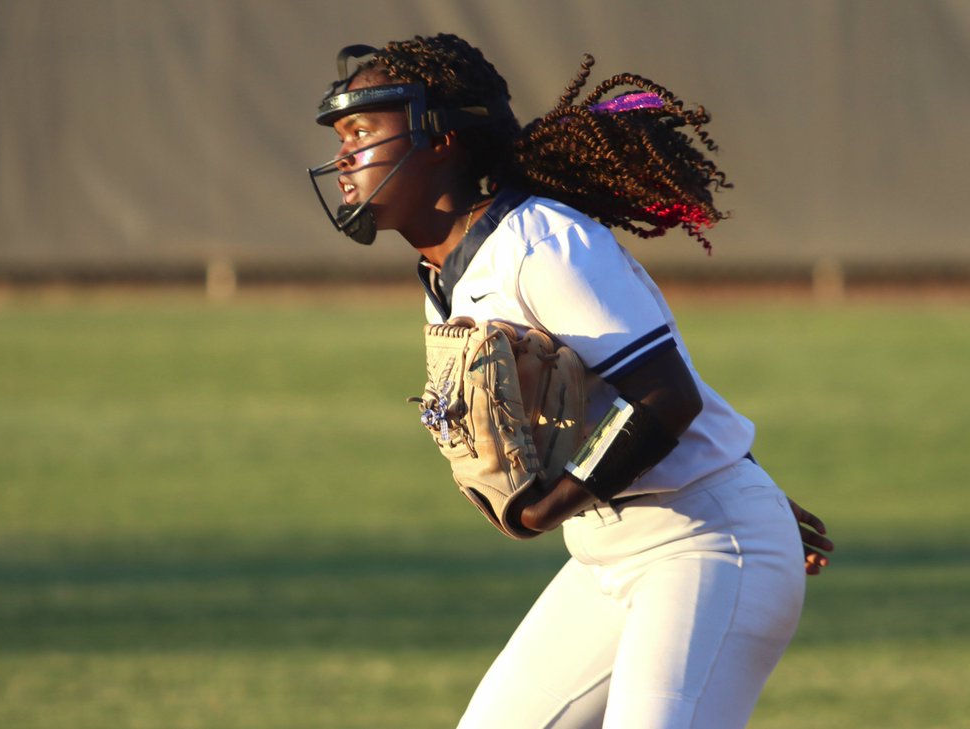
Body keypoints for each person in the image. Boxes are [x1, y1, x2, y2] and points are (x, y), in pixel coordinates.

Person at [307, 33, 833, 729]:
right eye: (342, 134)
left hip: (706, 547)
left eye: (364, 129)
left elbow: (667, 394)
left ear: (442, 139)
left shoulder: (539, 243)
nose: (345, 154)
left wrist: (544, 507)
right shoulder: (446, 274)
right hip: (609, 557)